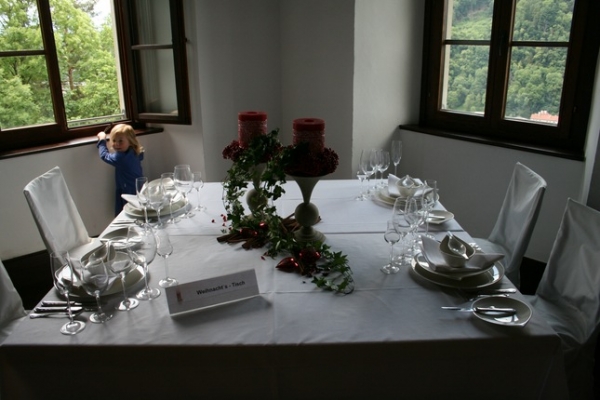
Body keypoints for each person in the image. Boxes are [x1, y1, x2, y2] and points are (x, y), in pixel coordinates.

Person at [97, 124, 144, 215]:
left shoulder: (121, 158)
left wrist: (102, 140)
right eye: (114, 140)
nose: (116, 144)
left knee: (127, 214)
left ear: (130, 141)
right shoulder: (134, 152)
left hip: (127, 191)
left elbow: (104, 156)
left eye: (120, 141)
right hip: (139, 188)